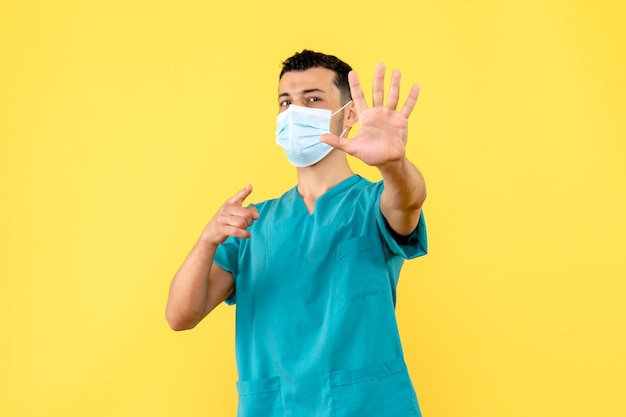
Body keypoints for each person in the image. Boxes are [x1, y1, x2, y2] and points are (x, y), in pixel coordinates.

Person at [166, 49, 428, 417]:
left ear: (349, 115)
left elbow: (408, 201)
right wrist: (207, 240)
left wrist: (394, 165)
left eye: (313, 99)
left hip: (367, 406)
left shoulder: (371, 204)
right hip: (276, 407)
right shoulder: (253, 224)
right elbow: (180, 316)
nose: (294, 113)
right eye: (285, 102)